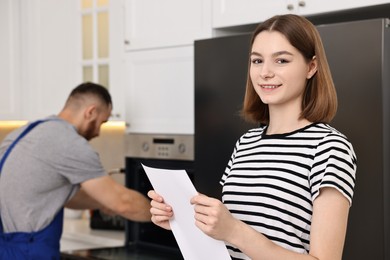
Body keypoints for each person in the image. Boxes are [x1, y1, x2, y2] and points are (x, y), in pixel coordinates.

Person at [148, 14, 357, 260]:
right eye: (257, 61)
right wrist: (181, 222)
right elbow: (230, 242)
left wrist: (235, 231)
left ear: (311, 67)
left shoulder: (330, 148)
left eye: (281, 60)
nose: (265, 72)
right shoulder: (247, 142)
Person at [0, 82, 151, 259]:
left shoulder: (24, 133)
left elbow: (58, 194)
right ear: (91, 112)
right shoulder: (69, 143)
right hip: (28, 252)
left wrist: (102, 203)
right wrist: (166, 214)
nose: (98, 133)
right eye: (102, 122)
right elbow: (123, 202)